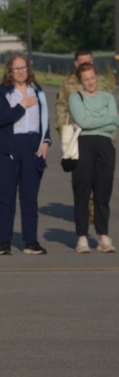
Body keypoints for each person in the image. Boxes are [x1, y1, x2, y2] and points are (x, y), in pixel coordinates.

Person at [0, 53, 50, 256]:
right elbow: (1, 118)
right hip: (6, 149)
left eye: (24, 67)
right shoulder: (2, 91)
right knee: (6, 198)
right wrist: (22, 106)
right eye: (17, 68)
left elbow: (45, 119)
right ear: (10, 71)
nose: (21, 71)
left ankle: (31, 241)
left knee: (30, 198)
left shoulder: (38, 91)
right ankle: (5, 241)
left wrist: (46, 142)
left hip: (32, 147)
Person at [67, 62, 118, 253]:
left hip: (105, 145)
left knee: (103, 191)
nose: (90, 82)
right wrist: (106, 120)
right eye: (86, 79)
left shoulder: (107, 97)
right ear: (81, 81)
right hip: (83, 145)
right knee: (82, 190)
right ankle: (82, 237)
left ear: (97, 76)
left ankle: (103, 235)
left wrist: (94, 122)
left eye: (92, 78)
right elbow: (83, 121)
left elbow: (115, 123)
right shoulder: (75, 97)